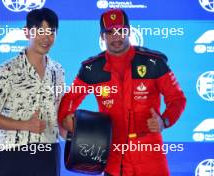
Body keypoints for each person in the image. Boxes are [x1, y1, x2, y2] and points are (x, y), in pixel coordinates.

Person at [58, 9, 186, 176]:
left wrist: (164, 121)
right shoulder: (91, 68)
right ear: (102, 36)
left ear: (129, 32)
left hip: (150, 157)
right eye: (110, 32)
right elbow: (70, 99)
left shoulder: (153, 62)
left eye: (121, 30)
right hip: (114, 159)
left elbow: (177, 99)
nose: (116, 36)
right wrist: (65, 118)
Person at [0, 8, 64, 176]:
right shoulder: (6, 70)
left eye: (51, 32)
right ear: (27, 32)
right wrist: (26, 125)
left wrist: (71, 131)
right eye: (40, 31)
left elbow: (59, 112)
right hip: (14, 153)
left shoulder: (58, 71)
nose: (46, 37)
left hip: (50, 152)